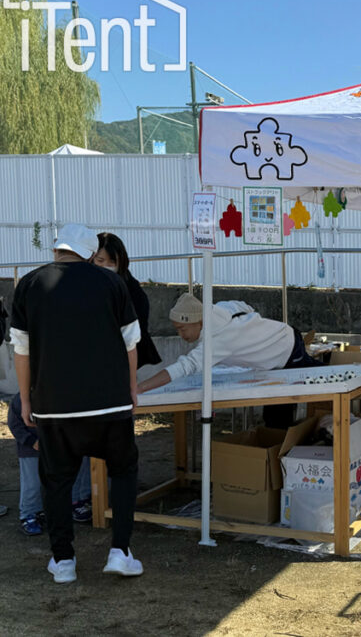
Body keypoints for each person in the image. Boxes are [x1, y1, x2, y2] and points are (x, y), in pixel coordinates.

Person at [10, 223, 143, 584]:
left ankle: (63, 560)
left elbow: (21, 350)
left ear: (57, 249)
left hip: (53, 404)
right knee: (123, 469)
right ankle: (120, 551)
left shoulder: (29, 284)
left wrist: (26, 399)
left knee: (56, 480)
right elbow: (131, 342)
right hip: (109, 403)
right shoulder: (111, 282)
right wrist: (131, 388)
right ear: (90, 253)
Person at [138, 293, 322, 428]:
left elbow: (185, 366)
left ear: (199, 322)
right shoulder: (219, 308)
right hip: (283, 338)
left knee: (322, 382)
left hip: (287, 349)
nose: (180, 334)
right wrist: (253, 331)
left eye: (183, 329)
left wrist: (141, 387)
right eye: (177, 329)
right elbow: (244, 306)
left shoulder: (218, 341)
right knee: (275, 414)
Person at [8, 395, 93, 535]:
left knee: (70, 474)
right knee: (33, 483)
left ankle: (74, 503)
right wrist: (31, 441)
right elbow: (15, 424)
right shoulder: (20, 400)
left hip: (57, 446)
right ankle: (30, 514)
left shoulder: (58, 393)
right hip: (31, 450)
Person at [92, 232, 162, 368]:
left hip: (124, 358)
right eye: (100, 261)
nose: (105, 265)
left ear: (121, 262)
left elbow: (134, 336)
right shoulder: (87, 285)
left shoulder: (132, 291)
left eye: (112, 262)